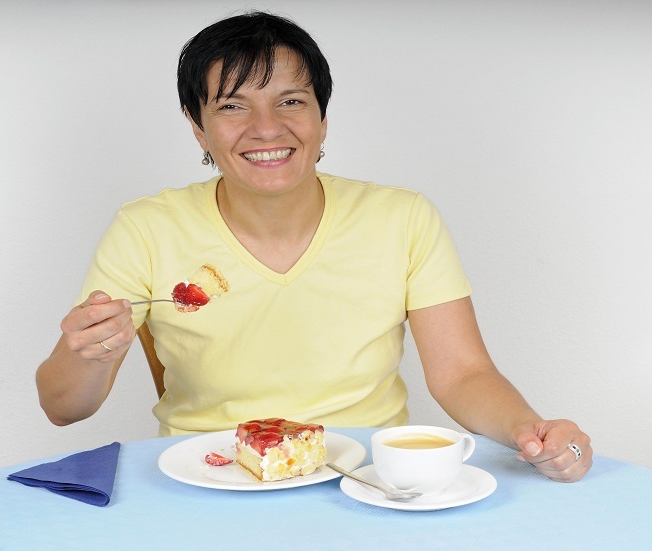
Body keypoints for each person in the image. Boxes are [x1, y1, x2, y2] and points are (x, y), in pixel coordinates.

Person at [36, 11, 592, 483]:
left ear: (322, 118)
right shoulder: (146, 228)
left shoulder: (402, 217)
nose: (266, 128)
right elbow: (63, 407)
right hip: (210, 478)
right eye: (232, 106)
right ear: (198, 127)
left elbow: (462, 374)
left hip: (366, 480)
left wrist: (530, 431)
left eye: (291, 101)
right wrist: (87, 353)